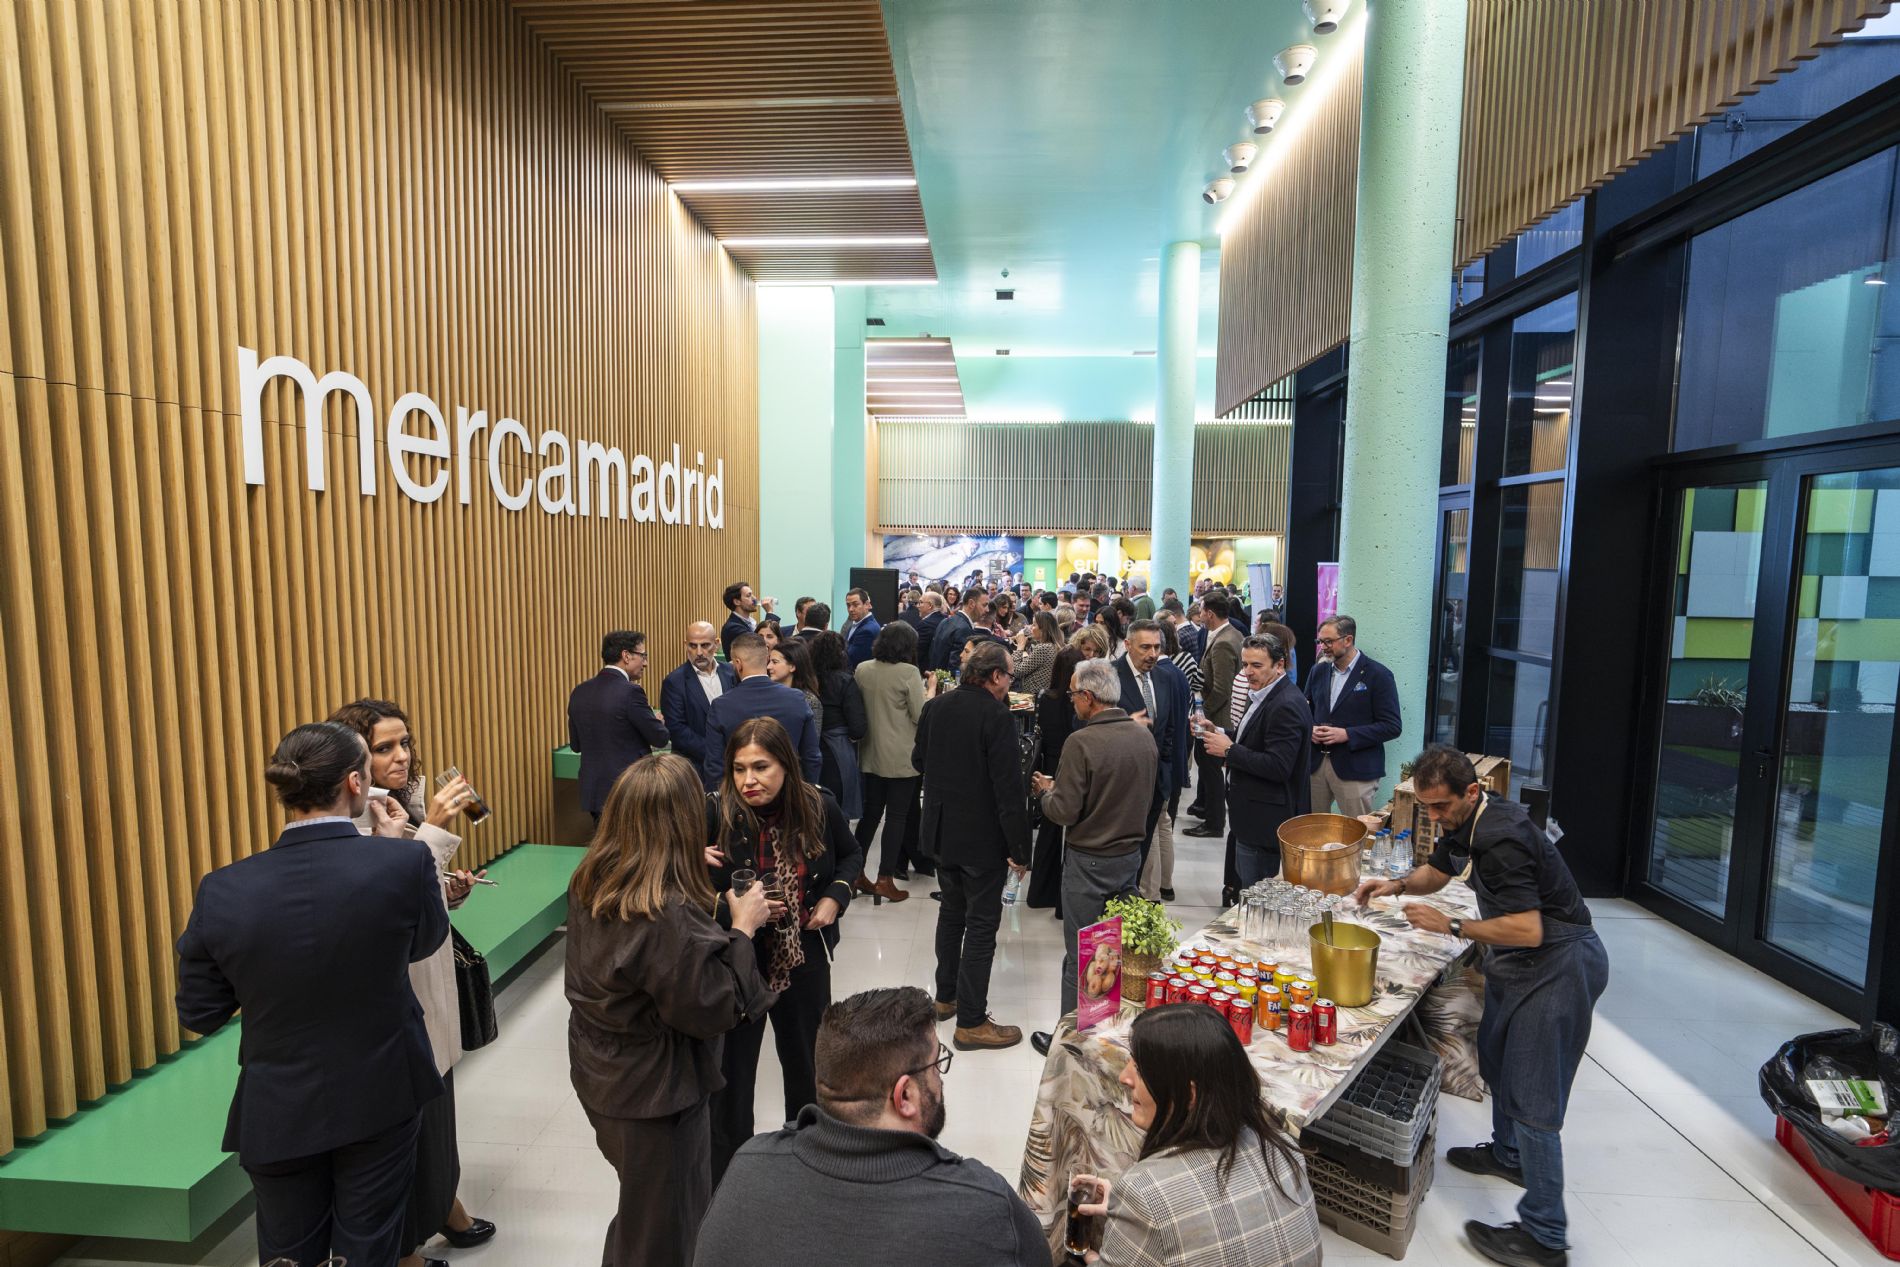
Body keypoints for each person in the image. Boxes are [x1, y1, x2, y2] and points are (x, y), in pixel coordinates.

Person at [176, 722, 446, 1267]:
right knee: (370, 1243)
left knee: (287, 1252)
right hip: (383, 1088)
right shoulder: (403, 862)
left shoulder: (222, 888)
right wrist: (388, 853)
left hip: (276, 1104)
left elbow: (201, 1012)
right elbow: (422, 945)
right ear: (355, 783)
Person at [1353, 747, 1607, 1267]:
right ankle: (1509, 1155)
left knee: (1534, 1097)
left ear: (1472, 791)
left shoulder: (1501, 837)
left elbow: (1528, 929)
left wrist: (1449, 925)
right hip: (1521, 962)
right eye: (1426, 806)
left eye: (1441, 806)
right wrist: (1395, 886)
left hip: (1560, 963)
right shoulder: (1466, 821)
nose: (1434, 816)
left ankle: (1545, 1238)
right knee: (1494, 1057)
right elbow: (1439, 872)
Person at [566, 752, 775, 1267]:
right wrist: (742, 928)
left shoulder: (594, 878)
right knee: (665, 1233)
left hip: (603, 1074)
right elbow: (714, 1006)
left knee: (640, 1211)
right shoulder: (666, 913)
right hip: (656, 1095)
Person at [693, 988, 1053, 1267]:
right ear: (905, 1095)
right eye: (936, 1065)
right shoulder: (985, 1207)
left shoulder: (747, 1167)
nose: (940, 1081)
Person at [328, 699, 495, 1266]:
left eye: (404, 743)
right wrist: (435, 830)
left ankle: (443, 1202)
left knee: (439, 1102)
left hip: (428, 969)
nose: (401, 756)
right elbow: (382, 898)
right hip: (392, 986)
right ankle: (405, 1245)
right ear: (354, 762)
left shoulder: (404, 801)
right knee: (408, 1112)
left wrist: (451, 890)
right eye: (384, 748)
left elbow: (420, 891)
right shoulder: (351, 819)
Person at [706, 718, 863, 1183]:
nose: (748, 780)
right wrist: (692, 862)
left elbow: (851, 855)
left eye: (761, 767)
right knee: (732, 1076)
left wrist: (835, 895)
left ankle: (806, 1166)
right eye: (739, 769)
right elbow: (678, 883)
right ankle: (731, 1178)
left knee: (807, 1066)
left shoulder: (818, 805)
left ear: (787, 766)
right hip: (737, 957)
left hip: (802, 956)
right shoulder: (715, 812)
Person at [1074, 1005, 1321, 1267]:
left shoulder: (1144, 1193)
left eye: (1141, 1069)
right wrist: (1129, 1214)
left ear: (1190, 1095)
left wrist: (1095, 1257)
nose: (1124, 1077)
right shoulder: (1283, 1148)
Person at [1027, 658, 1156, 1056]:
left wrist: (1045, 793)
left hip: (1089, 860)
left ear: (1087, 697)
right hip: (1129, 857)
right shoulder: (1143, 738)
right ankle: (1103, 1029)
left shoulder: (1081, 742)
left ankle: (1071, 1043)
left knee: (1083, 955)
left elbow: (1064, 811)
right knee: (1110, 950)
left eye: (1073, 695)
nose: (1071, 701)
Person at [913, 641, 1031, 1051]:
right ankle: (971, 1021)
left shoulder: (936, 707)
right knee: (981, 925)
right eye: (1009, 676)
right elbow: (1009, 790)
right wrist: (1020, 849)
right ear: (995, 676)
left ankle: (945, 996)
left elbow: (918, 760)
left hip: (942, 832)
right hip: (981, 839)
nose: (1010, 683)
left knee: (951, 913)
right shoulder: (996, 716)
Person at [1201, 634, 1312, 888]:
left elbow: (1279, 766)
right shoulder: (1263, 694)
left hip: (1266, 826)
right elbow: (1255, 741)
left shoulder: (1285, 704)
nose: (1248, 672)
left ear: (1279, 665)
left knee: (1257, 897)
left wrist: (1229, 751)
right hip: (1252, 820)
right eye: (1245, 664)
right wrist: (1219, 732)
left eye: (1256, 665)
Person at [853, 622, 926, 904]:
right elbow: (920, 715)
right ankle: (885, 879)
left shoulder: (863, 669)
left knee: (870, 815)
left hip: (870, 752)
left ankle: (854, 873)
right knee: (896, 817)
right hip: (901, 756)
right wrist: (931, 690)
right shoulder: (909, 672)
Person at [1305, 614, 1402, 817]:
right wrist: (1309, 728)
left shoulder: (1378, 675)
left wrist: (1347, 734)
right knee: (1313, 828)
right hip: (1316, 765)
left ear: (1348, 640)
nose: (1323, 647)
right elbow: (1306, 710)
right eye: (1320, 641)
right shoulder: (1318, 671)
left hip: (1356, 768)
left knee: (1357, 830)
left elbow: (1392, 726)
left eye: (1328, 641)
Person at [568, 630, 670, 820]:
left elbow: (576, 745)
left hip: (594, 792)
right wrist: (658, 722)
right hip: (628, 789)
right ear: (626, 656)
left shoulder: (579, 692)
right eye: (643, 656)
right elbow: (660, 738)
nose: (646, 663)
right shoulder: (631, 692)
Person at [1114, 620, 1189, 874]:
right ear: (1128, 645)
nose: (1153, 654)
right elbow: (1086, 725)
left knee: (1142, 854)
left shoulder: (1164, 677)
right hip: (1120, 786)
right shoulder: (1109, 675)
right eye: (1145, 647)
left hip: (1155, 785)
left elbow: (1168, 730)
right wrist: (1124, 725)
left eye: (1157, 647)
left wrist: (1164, 774)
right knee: (1120, 860)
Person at [703, 633, 822, 788]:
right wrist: (808, 792)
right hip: (789, 792)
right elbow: (812, 757)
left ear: (738, 664)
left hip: (742, 792)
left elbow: (714, 766)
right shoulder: (796, 699)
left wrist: (720, 799)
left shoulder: (721, 706)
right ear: (766, 659)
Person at [1026, 645, 1085, 914]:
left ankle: (1040, 892)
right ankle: (1065, 901)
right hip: (1075, 768)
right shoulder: (1081, 703)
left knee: (1049, 830)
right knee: (1074, 832)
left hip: (1050, 766)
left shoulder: (1045, 698)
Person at [1185, 595, 1245, 842]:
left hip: (1217, 717)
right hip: (1219, 715)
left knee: (1211, 771)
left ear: (1209, 613)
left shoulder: (1223, 643)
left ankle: (1214, 822)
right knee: (1208, 768)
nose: (1199, 615)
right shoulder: (1233, 634)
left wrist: (1203, 714)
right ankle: (1206, 810)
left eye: (1201, 611)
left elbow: (1222, 688)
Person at [662, 621, 741, 773]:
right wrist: (718, 754)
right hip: (695, 770)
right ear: (685, 645)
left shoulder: (732, 673)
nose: (698, 652)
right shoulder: (674, 682)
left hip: (735, 765)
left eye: (705, 645)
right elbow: (677, 730)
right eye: (692, 646)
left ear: (716, 644)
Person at [809, 630, 868, 819]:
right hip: (838, 749)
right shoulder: (845, 681)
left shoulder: (806, 680)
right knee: (838, 810)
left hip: (810, 747)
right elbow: (858, 727)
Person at [768, 637, 825, 732]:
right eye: (769, 661)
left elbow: (813, 738)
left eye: (775, 662)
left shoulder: (809, 701)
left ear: (792, 666)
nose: (768, 666)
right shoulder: (768, 694)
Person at [932, 586, 989, 671]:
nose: (987, 610)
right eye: (984, 605)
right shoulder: (964, 629)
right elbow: (956, 667)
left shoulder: (945, 621)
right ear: (971, 603)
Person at [1010, 610, 1062, 695]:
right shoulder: (1052, 645)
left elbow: (1017, 671)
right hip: (1043, 694)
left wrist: (1020, 646)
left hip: (1033, 696)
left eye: (1034, 625)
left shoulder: (1044, 648)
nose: (1031, 627)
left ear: (1043, 629)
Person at [721, 580, 764, 658]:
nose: (754, 598)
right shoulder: (733, 627)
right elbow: (759, 646)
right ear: (737, 602)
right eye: (748, 596)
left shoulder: (751, 622)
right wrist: (770, 612)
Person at [841, 588, 879, 661]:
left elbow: (852, 659)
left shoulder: (868, 630)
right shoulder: (855, 622)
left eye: (855, 604)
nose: (850, 609)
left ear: (867, 604)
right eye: (848, 605)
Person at [914, 590, 947, 671]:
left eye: (921, 602)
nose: (918, 606)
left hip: (925, 671)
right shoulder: (945, 620)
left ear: (930, 605)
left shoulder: (925, 625)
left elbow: (918, 652)